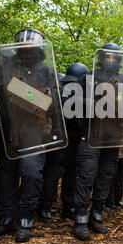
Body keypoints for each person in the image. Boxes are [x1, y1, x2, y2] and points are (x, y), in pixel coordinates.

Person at [0, 28, 61, 243]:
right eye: (23, 41)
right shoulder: (5, 67)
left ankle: (26, 220)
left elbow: (53, 103)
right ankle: (6, 219)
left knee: (31, 173)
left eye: (31, 41)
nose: (27, 44)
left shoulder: (46, 71)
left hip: (35, 130)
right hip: (8, 129)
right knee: (6, 174)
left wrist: (25, 96)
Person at [73, 43, 123, 241]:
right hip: (92, 135)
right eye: (107, 56)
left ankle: (97, 214)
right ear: (101, 58)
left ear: (119, 60)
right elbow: (75, 105)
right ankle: (81, 217)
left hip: (113, 138)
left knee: (106, 176)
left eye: (114, 57)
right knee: (86, 174)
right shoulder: (88, 78)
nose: (110, 60)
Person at [40, 62, 89, 223]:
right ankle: (67, 209)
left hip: (56, 140)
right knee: (69, 176)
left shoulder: (56, 92)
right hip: (72, 141)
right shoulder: (79, 94)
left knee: (52, 175)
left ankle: (46, 208)